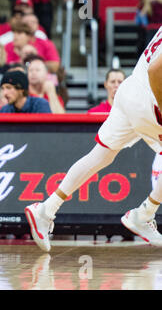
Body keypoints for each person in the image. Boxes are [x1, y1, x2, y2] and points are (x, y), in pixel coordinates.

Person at [24, 26, 162, 252]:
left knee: (100, 156)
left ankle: (46, 209)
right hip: (150, 99)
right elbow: (157, 69)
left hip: (131, 89)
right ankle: (143, 214)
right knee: (100, 157)